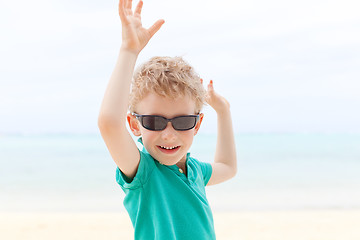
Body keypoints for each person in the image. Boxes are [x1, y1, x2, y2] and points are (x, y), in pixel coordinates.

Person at [97, 0, 237, 239]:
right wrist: (129, 51)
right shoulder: (144, 172)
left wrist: (223, 111)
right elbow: (109, 124)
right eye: (155, 122)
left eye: (182, 122)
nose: (169, 134)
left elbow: (228, 167)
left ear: (197, 124)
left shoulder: (194, 171)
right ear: (134, 125)